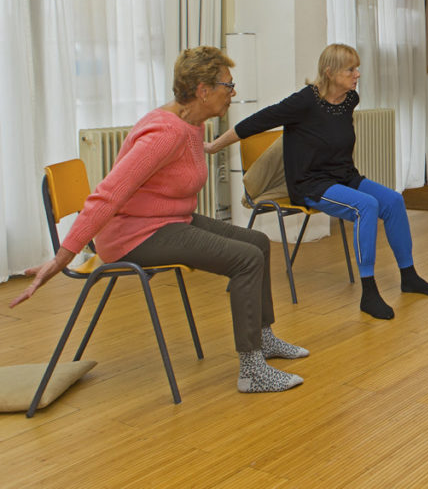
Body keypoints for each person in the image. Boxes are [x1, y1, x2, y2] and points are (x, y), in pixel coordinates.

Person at [11, 46, 307, 394]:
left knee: (257, 241)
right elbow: (108, 194)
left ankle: (263, 337)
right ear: (203, 90)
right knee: (246, 259)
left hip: (167, 221)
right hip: (133, 235)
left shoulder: (191, 123)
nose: (233, 92)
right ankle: (252, 369)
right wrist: (63, 256)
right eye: (228, 85)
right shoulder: (165, 134)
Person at [206, 43, 428, 321]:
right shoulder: (304, 101)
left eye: (357, 69)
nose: (357, 75)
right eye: (350, 69)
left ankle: (409, 275)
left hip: (344, 176)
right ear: (329, 72)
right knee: (366, 206)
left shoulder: (349, 99)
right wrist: (213, 147)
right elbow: (257, 122)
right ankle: (368, 292)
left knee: (393, 200)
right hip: (311, 184)